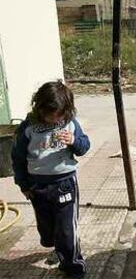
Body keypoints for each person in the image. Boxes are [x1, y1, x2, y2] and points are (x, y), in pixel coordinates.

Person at [12, 81, 90, 278]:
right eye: (50, 115)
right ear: (39, 107)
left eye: (60, 115)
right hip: (37, 186)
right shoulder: (28, 128)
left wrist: (73, 141)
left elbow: (84, 146)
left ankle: (73, 266)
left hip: (65, 185)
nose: (55, 120)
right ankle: (57, 248)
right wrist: (23, 184)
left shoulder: (70, 123)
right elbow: (18, 158)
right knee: (47, 231)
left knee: (66, 230)